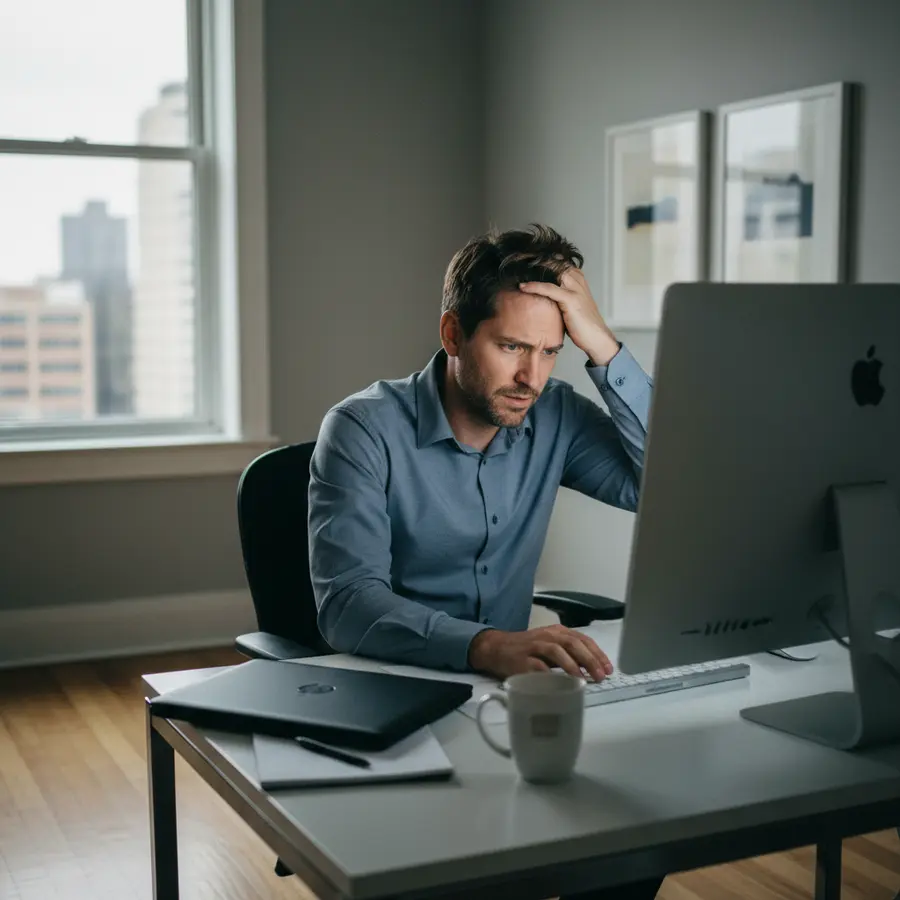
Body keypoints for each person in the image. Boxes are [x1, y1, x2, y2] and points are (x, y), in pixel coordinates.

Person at [309, 224, 661, 900]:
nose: (531, 376)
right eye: (510, 347)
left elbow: (667, 483)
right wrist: (487, 645)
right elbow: (348, 604)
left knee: (632, 846)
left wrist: (603, 347)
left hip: (509, 707)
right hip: (397, 697)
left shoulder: (552, 414)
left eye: (551, 351)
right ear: (452, 334)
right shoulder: (360, 429)